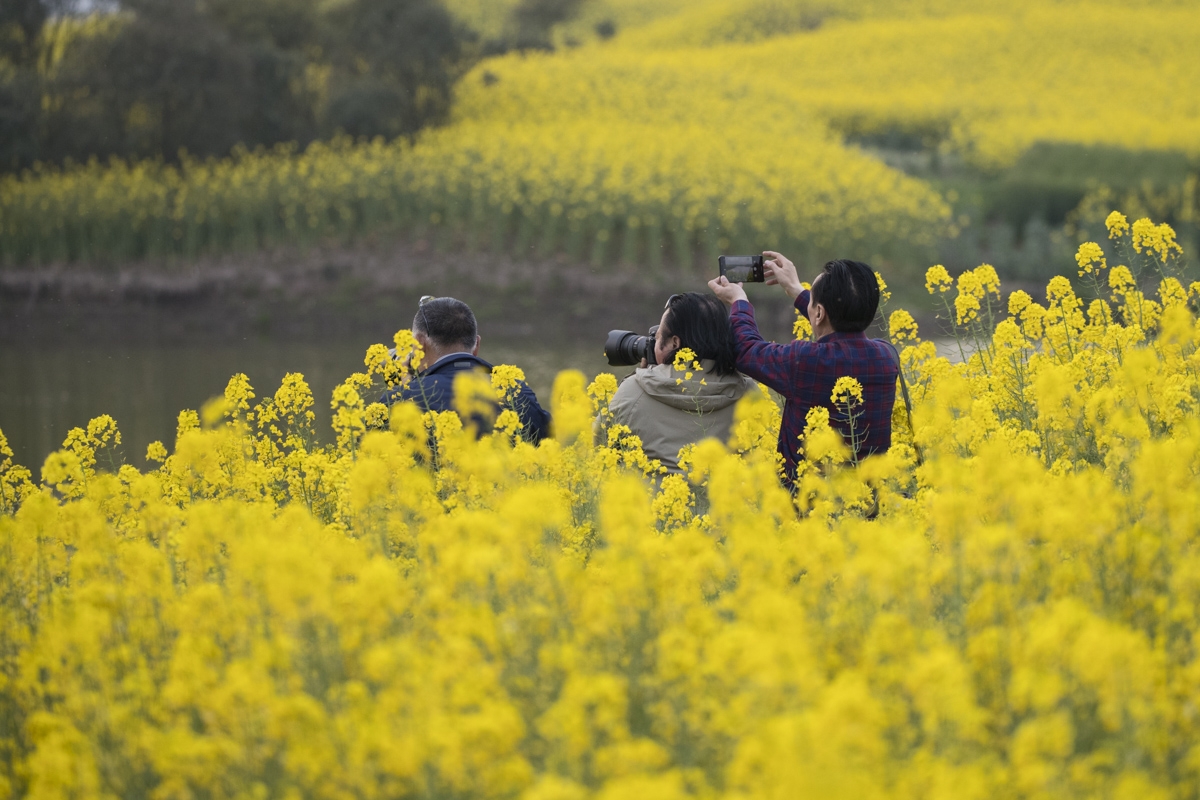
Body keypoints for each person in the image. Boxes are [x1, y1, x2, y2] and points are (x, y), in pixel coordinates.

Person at [708, 252, 897, 485]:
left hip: (807, 506)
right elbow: (838, 329)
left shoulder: (805, 361)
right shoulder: (887, 357)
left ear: (818, 313)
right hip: (871, 503)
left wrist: (739, 301)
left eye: (811, 304)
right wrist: (796, 289)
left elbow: (746, 349)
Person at [601, 292, 758, 473]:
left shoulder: (634, 392)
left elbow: (597, 449)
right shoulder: (749, 393)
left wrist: (641, 379)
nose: (652, 344)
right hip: (728, 499)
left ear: (675, 343)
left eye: (658, 336)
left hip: (651, 501)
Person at [382, 296, 551, 443]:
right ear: (476, 345)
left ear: (419, 344)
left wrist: (402, 390)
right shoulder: (520, 395)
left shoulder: (401, 400)